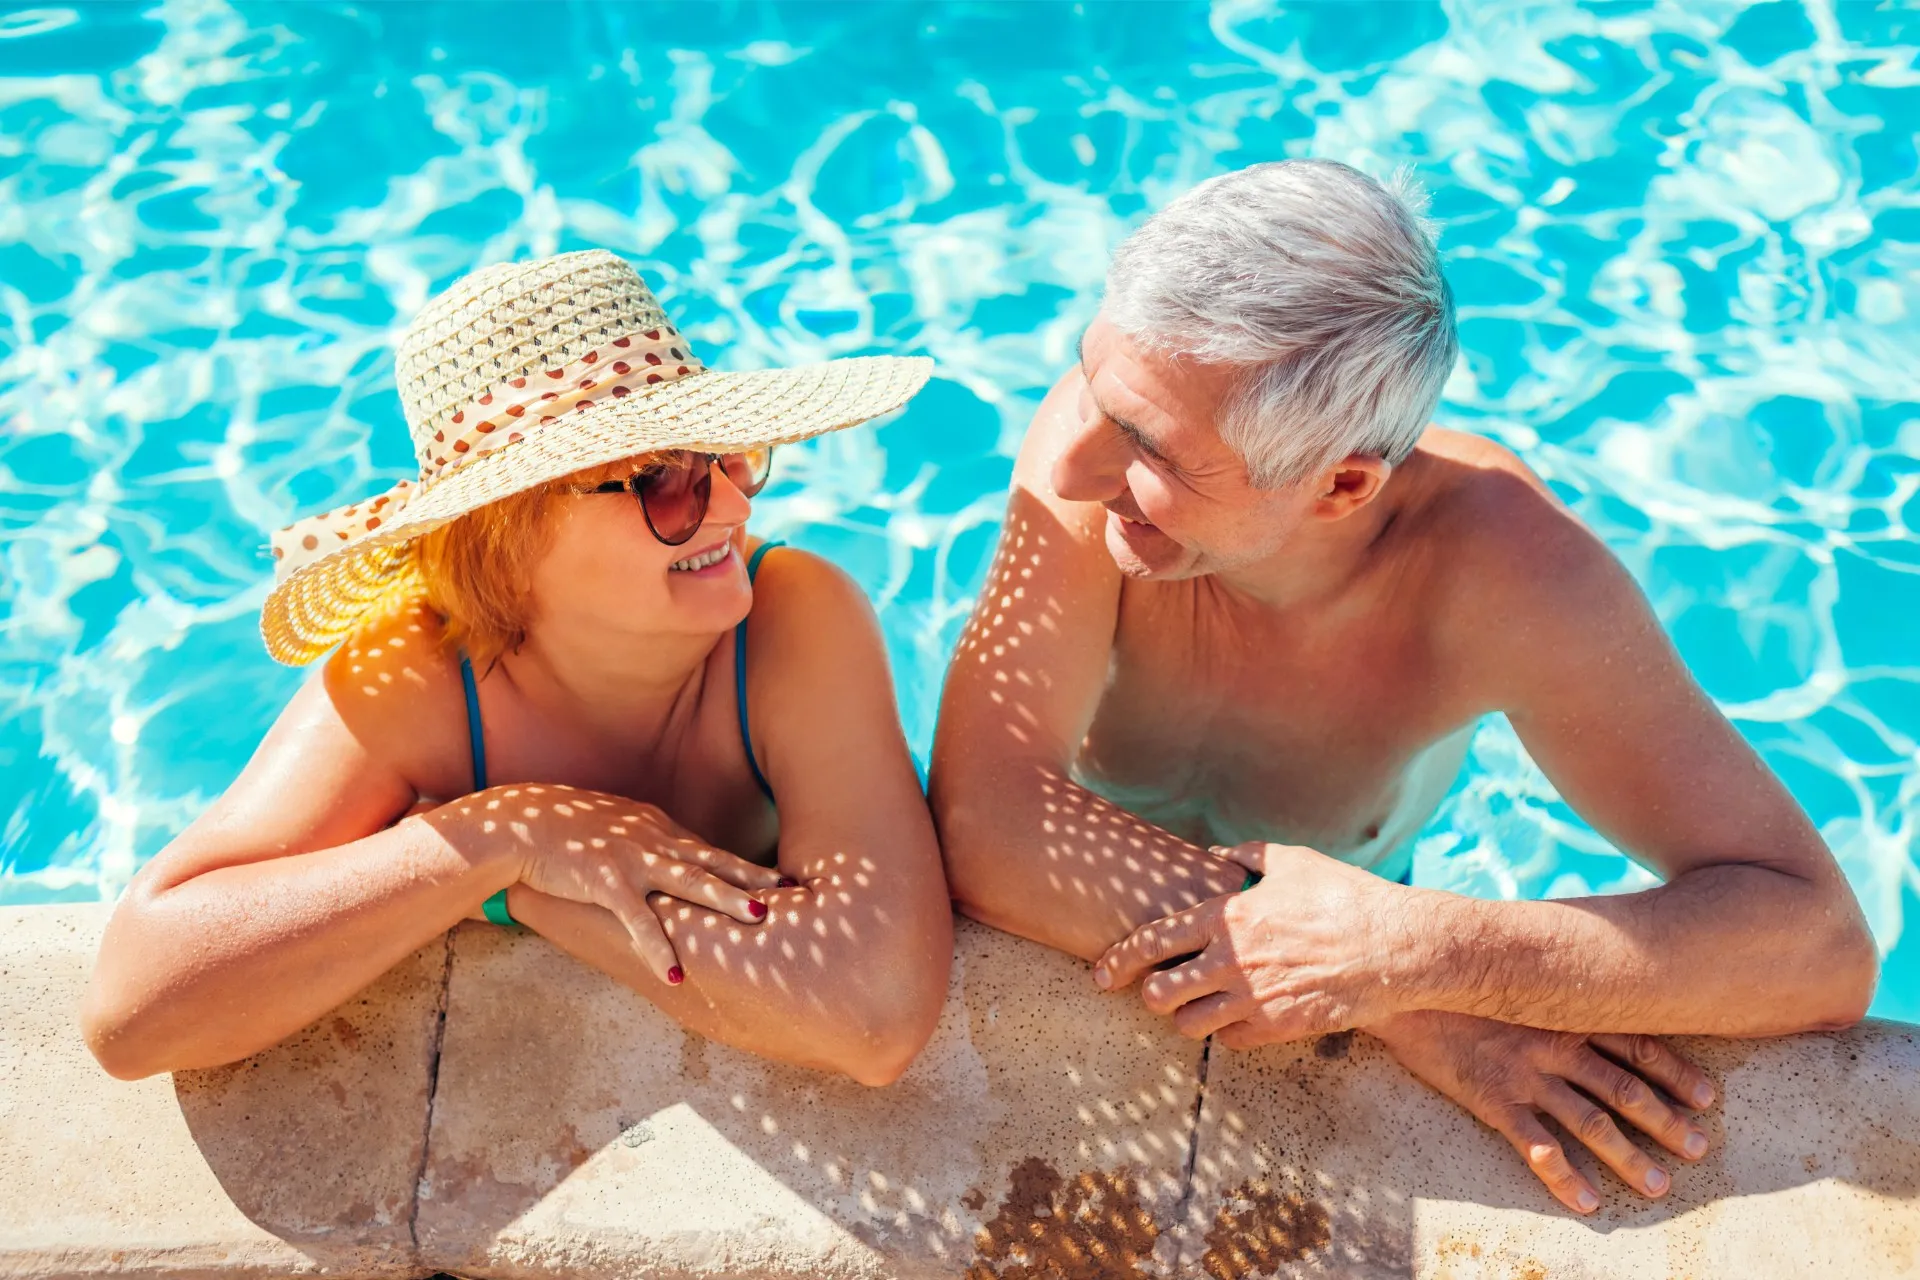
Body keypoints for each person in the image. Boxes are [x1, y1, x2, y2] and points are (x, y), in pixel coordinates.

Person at [930, 160, 1877, 1212]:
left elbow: (1818, 944)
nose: (1071, 470)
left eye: (1153, 450)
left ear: (1340, 484)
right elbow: (984, 817)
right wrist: (1404, 995)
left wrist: (1411, 944)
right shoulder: (1113, 418)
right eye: (1096, 387)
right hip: (1154, 937)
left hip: (1330, 904)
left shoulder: (1510, 578)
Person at [83, 250, 954, 1087]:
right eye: (665, 481)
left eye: (727, 455)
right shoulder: (415, 674)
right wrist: (502, 837)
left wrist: (517, 889)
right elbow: (132, 1012)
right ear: (511, 534)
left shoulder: (792, 616)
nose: (732, 503)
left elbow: (874, 1012)